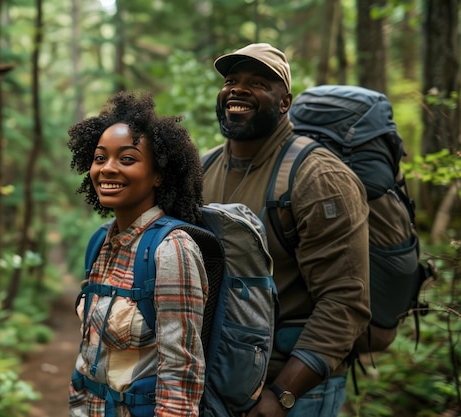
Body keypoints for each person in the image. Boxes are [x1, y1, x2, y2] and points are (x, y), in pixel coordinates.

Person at [202, 43, 371, 416]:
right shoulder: (203, 168)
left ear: (284, 102)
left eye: (259, 82)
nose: (238, 89)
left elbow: (345, 302)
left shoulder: (319, 177)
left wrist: (281, 396)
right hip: (217, 383)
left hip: (293, 391)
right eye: (231, 80)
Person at [67, 91, 208, 417]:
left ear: (158, 173)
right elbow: (89, 357)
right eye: (100, 158)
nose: (107, 169)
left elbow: (180, 379)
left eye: (127, 159)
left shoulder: (172, 252)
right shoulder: (101, 243)